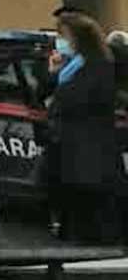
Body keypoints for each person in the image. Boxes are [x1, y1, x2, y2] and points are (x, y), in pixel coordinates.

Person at [45, 13, 120, 244]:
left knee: (90, 199)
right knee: (71, 197)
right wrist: (54, 76)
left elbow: (80, 98)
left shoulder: (99, 65)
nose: (61, 41)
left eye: (64, 35)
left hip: (89, 145)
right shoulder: (69, 65)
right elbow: (46, 94)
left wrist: (59, 93)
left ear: (79, 37)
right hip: (67, 145)